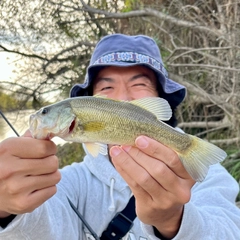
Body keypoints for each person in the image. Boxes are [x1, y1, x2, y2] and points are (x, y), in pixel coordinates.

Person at [0, 34, 239, 240]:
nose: (122, 98)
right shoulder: (71, 182)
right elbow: (42, 224)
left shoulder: (206, 172)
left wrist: (173, 221)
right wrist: (6, 209)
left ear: (160, 98)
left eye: (139, 84)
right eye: (106, 88)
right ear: (91, 98)